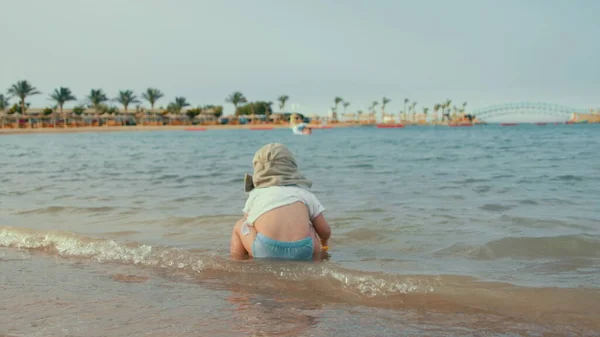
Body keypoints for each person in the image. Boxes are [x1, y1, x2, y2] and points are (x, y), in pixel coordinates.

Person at [230, 143, 331, 260]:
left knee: (240, 224)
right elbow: (325, 231)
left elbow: (249, 221)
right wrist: (324, 243)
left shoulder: (256, 194)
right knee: (311, 229)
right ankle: (318, 262)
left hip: (265, 250)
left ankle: (238, 260)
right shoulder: (304, 194)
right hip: (302, 251)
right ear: (292, 166)